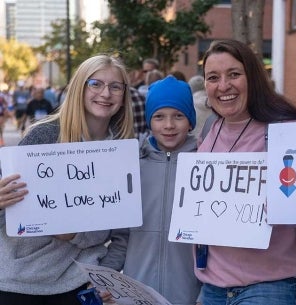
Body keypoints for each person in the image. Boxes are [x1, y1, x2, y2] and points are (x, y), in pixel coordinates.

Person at [197, 39, 296, 305]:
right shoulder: (210, 131)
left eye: (234, 74)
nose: (223, 86)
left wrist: (283, 201)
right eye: (213, 78)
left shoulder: (287, 130)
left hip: (273, 285)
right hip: (215, 287)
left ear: (253, 77)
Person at [0, 54, 134, 305]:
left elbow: (121, 231)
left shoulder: (122, 150)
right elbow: (10, 216)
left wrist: (104, 274)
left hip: (78, 283)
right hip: (19, 281)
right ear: (79, 88)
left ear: (124, 95)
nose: (106, 93)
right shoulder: (44, 135)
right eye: (95, 84)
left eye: (115, 86)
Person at [101, 75, 201, 305]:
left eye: (178, 116)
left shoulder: (204, 165)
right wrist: (104, 279)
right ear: (149, 121)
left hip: (189, 296)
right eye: (159, 117)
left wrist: (207, 293)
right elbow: (122, 236)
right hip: (136, 296)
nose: (168, 125)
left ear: (190, 121)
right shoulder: (132, 166)